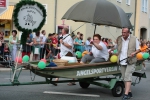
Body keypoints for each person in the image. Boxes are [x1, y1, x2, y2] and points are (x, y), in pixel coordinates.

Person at [117, 28, 140, 100]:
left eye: (124, 32)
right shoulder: (120, 39)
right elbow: (117, 48)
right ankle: (129, 92)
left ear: (128, 33)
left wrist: (134, 53)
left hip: (131, 60)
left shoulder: (134, 39)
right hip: (122, 60)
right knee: (124, 77)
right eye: (122, 32)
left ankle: (126, 94)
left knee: (127, 76)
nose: (123, 34)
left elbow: (138, 49)